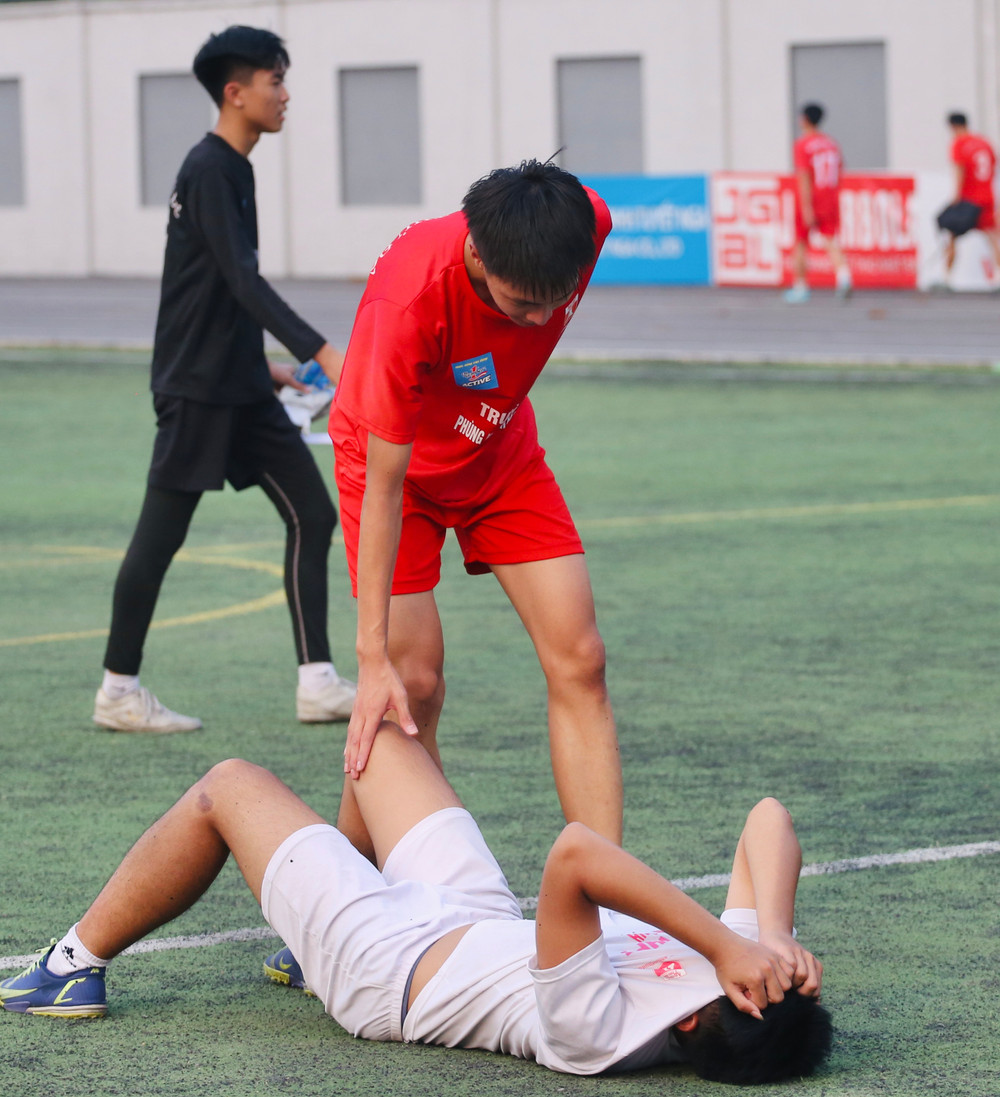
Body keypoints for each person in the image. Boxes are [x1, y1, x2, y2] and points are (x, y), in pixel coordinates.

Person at [0, 724, 831, 1084]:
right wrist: (772, 932)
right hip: (475, 918)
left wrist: (721, 944)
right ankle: (305, 931)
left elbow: (576, 853)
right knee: (378, 737)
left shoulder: (600, 1035)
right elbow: (768, 817)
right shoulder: (731, 991)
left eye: (742, 973)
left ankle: (70, 966)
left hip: (385, 968)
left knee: (228, 785)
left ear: (699, 1016)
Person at [331, 159, 623, 855]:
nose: (542, 320)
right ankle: (346, 886)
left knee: (581, 658)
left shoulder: (583, 223)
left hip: (498, 450)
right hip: (394, 471)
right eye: (522, 305)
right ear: (480, 257)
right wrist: (371, 660)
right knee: (411, 685)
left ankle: (608, 893)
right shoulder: (407, 304)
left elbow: (552, 271)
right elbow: (385, 486)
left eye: (557, 301)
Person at [92, 26, 355, 735]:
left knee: (312, 513)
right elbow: (242, 281)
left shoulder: (233, 168)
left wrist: (268, 369)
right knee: (160, 536)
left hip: (238, 386)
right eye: (275, 81)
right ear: (236, 93)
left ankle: (318, 682)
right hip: (197, 391)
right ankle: (118, 689)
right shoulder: (210, 168)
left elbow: (215, 288)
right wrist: (322, 353)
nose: (286, 94)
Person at [784, 103, 852, 303]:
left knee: (800, 243)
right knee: (830, 239)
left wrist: (806, 207)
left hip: (812, 197)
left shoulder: (803, 144)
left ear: (804, 119)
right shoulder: (831, 143)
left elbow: (804, 175)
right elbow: (840, 169)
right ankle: (844, 278)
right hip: (829, 196)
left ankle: (800, 287)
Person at [937, 112, 1000, 286]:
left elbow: (960, 169)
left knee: (951, 234)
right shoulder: (984, 142)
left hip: (968, 199)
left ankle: (946, 277)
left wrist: (956, 197)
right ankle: (998, 275)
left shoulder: (959, 143)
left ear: (953, 126)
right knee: (993, 236)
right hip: (987, 197)